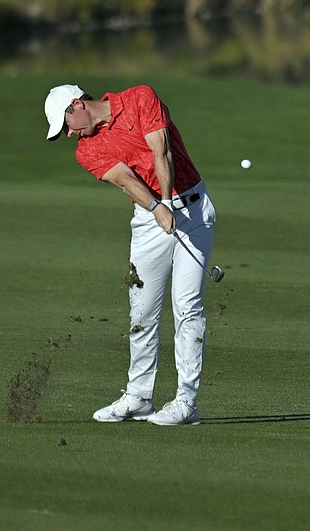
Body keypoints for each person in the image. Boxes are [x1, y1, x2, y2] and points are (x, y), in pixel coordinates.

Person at [44, 83, 216, 426]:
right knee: (142, 311)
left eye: (66, 125)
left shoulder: (141, 98)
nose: (68, 135)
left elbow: (161, 151)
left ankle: (186, 403)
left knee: (187, 306)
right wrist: (155, 207)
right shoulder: (86, 150)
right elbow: (125, 180)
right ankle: (138, 397)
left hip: (193, 212)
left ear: (77, 104)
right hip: (149, 219)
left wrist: (166, 202)